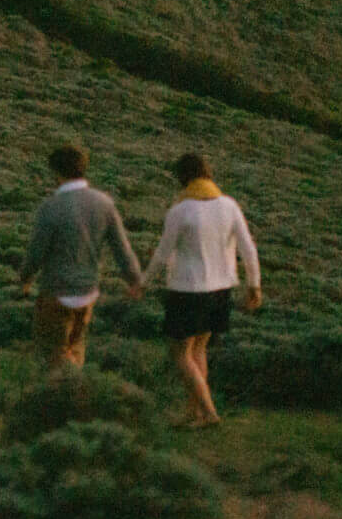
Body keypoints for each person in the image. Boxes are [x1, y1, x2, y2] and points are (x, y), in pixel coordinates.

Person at [136, 152, 261, 427]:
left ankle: (209, 412)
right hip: (220, 289)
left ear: (182, 179)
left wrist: (143, 282)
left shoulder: (180, 211)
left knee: (180, 354)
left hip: (187, 289)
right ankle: (193, 413)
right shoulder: (229, 205)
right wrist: (254, 285)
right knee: (198, 351)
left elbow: (162, 253)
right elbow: (248, 249)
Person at [17, 143, 143, 369]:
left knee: (52, 356)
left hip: (56, 292)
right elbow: (122, 249)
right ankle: (76, 392)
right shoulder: (104, 203)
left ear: (56, 172)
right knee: (75, 349)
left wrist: (25, 278)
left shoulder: (51, 207)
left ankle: (59, 397)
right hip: (88, 293)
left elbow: (36, 253)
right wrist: (134, 280)